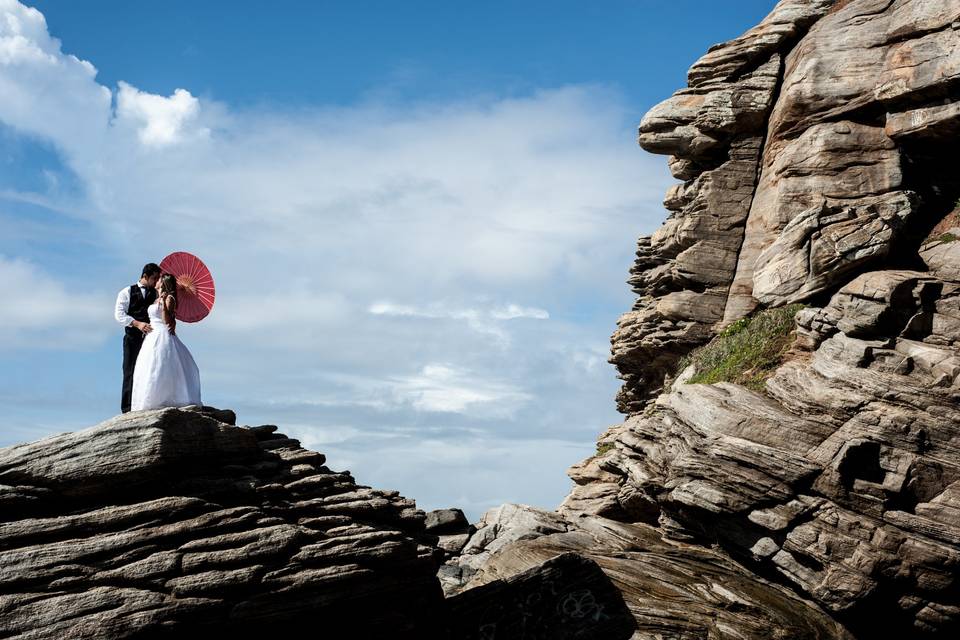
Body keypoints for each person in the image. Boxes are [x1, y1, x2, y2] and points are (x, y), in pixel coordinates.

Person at [130, 273, 202, 411]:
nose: (156, 281)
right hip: (152, 335)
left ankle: (163, 399)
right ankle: (149, 399)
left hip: (162, 333)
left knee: (161, 365)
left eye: (159, 280)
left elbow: (168, 322)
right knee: (149, 366)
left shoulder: (169, 298)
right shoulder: (156, 299)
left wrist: (163, 306)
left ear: (164, 283)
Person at [115, 263, 161, 413]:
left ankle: (144, 404)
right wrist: (137, 323)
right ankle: (127, 408)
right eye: (154, 278)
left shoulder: (156, 293)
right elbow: (119, 315)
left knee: (148, 371)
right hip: (132, 338)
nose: (156, 281)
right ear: (145, 276)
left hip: (150, 340)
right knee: (129, 371)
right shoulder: (126, 292)